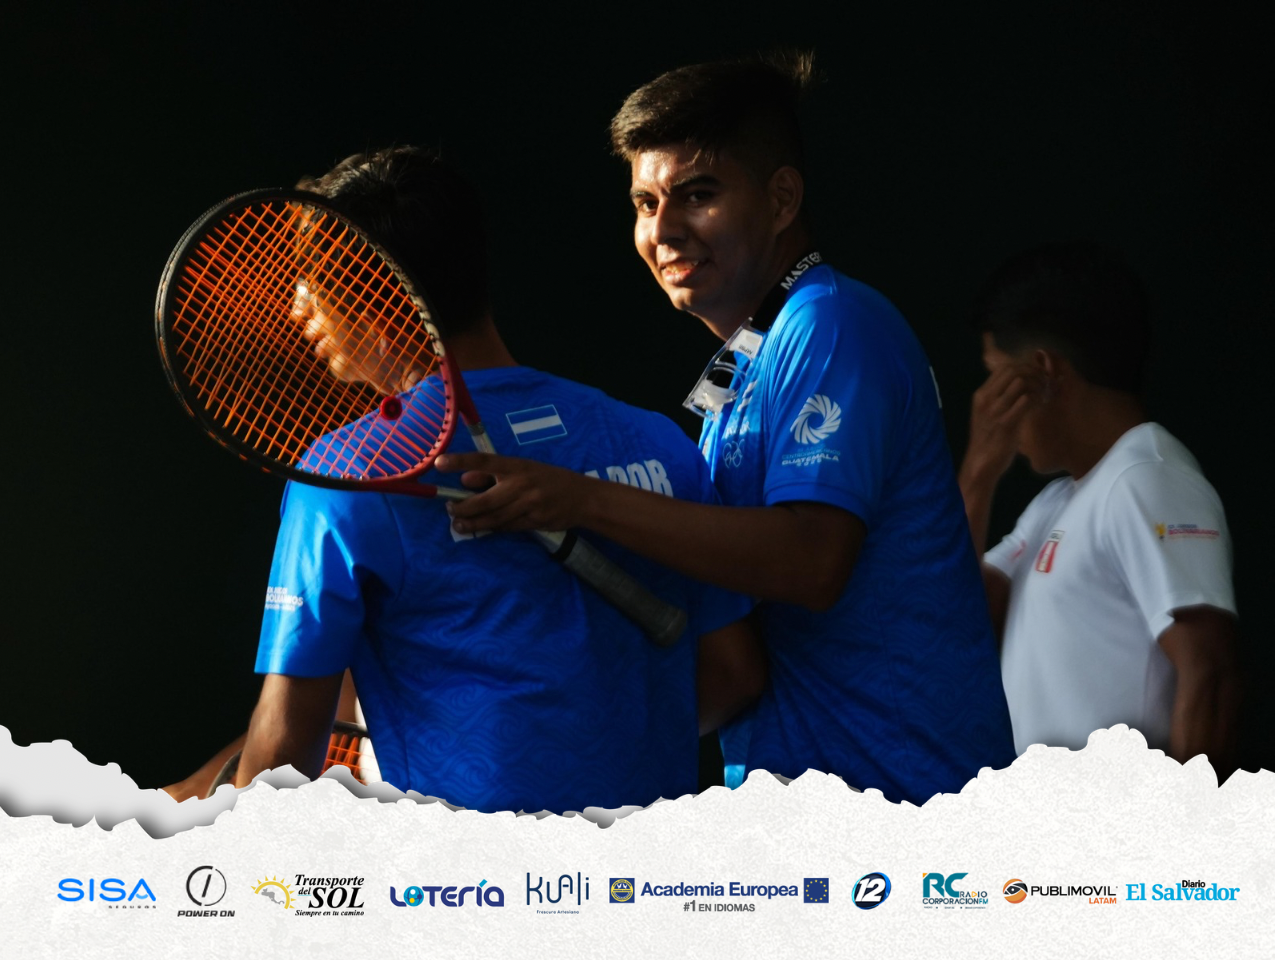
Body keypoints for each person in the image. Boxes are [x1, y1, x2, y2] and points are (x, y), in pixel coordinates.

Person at [441, 53, 1016, 805]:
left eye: (698, 195)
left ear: (781, 199)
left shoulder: (831, 324)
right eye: (645, 202)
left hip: (907, 814)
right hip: (802, 813)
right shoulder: (748, 361)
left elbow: (811, 562)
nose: (663, 230)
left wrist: (579, 500)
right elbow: (737, 667)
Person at [164, 146, 761, 812]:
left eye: (313, 279)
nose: (299, 307)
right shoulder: (658, 442)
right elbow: (733, 676)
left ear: (372, 290)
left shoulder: (346, 476)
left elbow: (282, 764)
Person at [958, 241, 1240, 775]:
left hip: (1121, 827)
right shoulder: (1056, 503)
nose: (987, 401)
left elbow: (1211, 674)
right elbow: (951, 617)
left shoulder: (1146, 477)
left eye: (995, 376)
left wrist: (1189, 824)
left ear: (1041, 372)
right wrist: (977, 476)